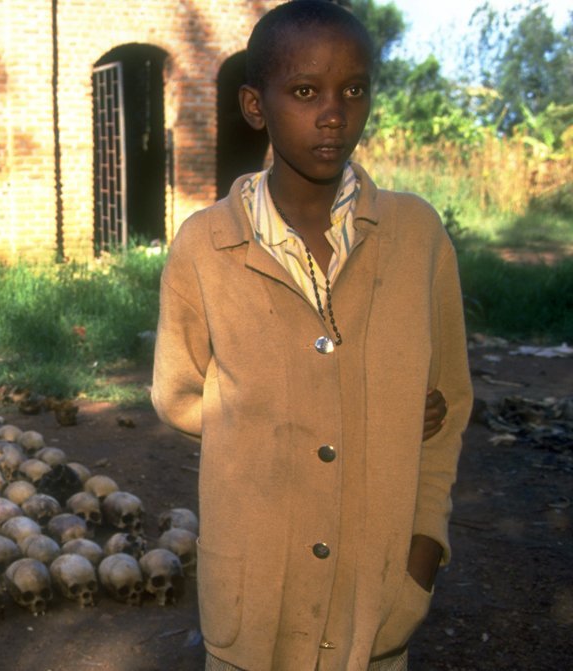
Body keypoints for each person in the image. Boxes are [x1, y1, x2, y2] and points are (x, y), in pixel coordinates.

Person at [150, 1, 473, 670]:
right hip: (254, 601)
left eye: (353, 89)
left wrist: (424, 546)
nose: (334, 112)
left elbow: (447, 406)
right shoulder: (206, 245)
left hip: (376, 600)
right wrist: (348, 411)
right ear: (255, 104)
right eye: (304, 91)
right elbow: (181, 394)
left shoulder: (417, 238)